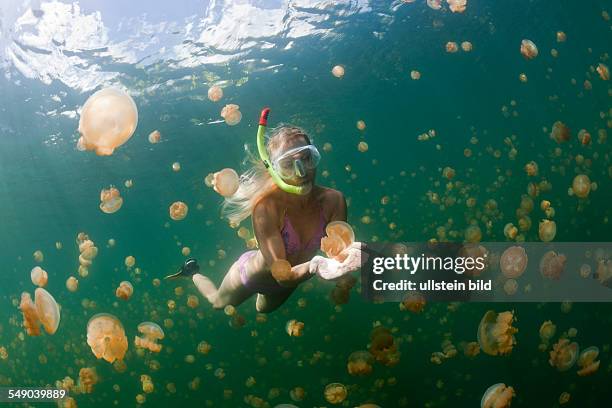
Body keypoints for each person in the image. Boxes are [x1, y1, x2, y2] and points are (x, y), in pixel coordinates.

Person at [166, 108, 368, 313]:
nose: (301, 171)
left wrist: (347, 259)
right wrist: (314, 266)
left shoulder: (334, 201)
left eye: (307, 158)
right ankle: (192, 272)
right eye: (288, 164)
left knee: (263, 310)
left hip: (291, 281)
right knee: (217, 302)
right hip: (252, 277)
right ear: (274, 170)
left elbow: (338, 253)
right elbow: (283, 274)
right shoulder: (266, 209)